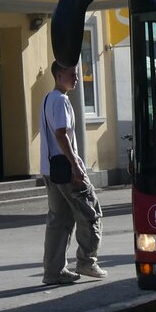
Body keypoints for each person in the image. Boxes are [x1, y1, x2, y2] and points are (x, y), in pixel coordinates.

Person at [40, 60, 105, 285]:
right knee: (90, 214)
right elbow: (61, 134)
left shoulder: (48, 99)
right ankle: (86, 260)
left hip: (51, 170)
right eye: (72, 74)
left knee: (59, 221)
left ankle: (53, 271)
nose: (77, 78)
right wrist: (76, 164)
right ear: (58, 75)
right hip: (67, 170)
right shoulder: (61, 101)